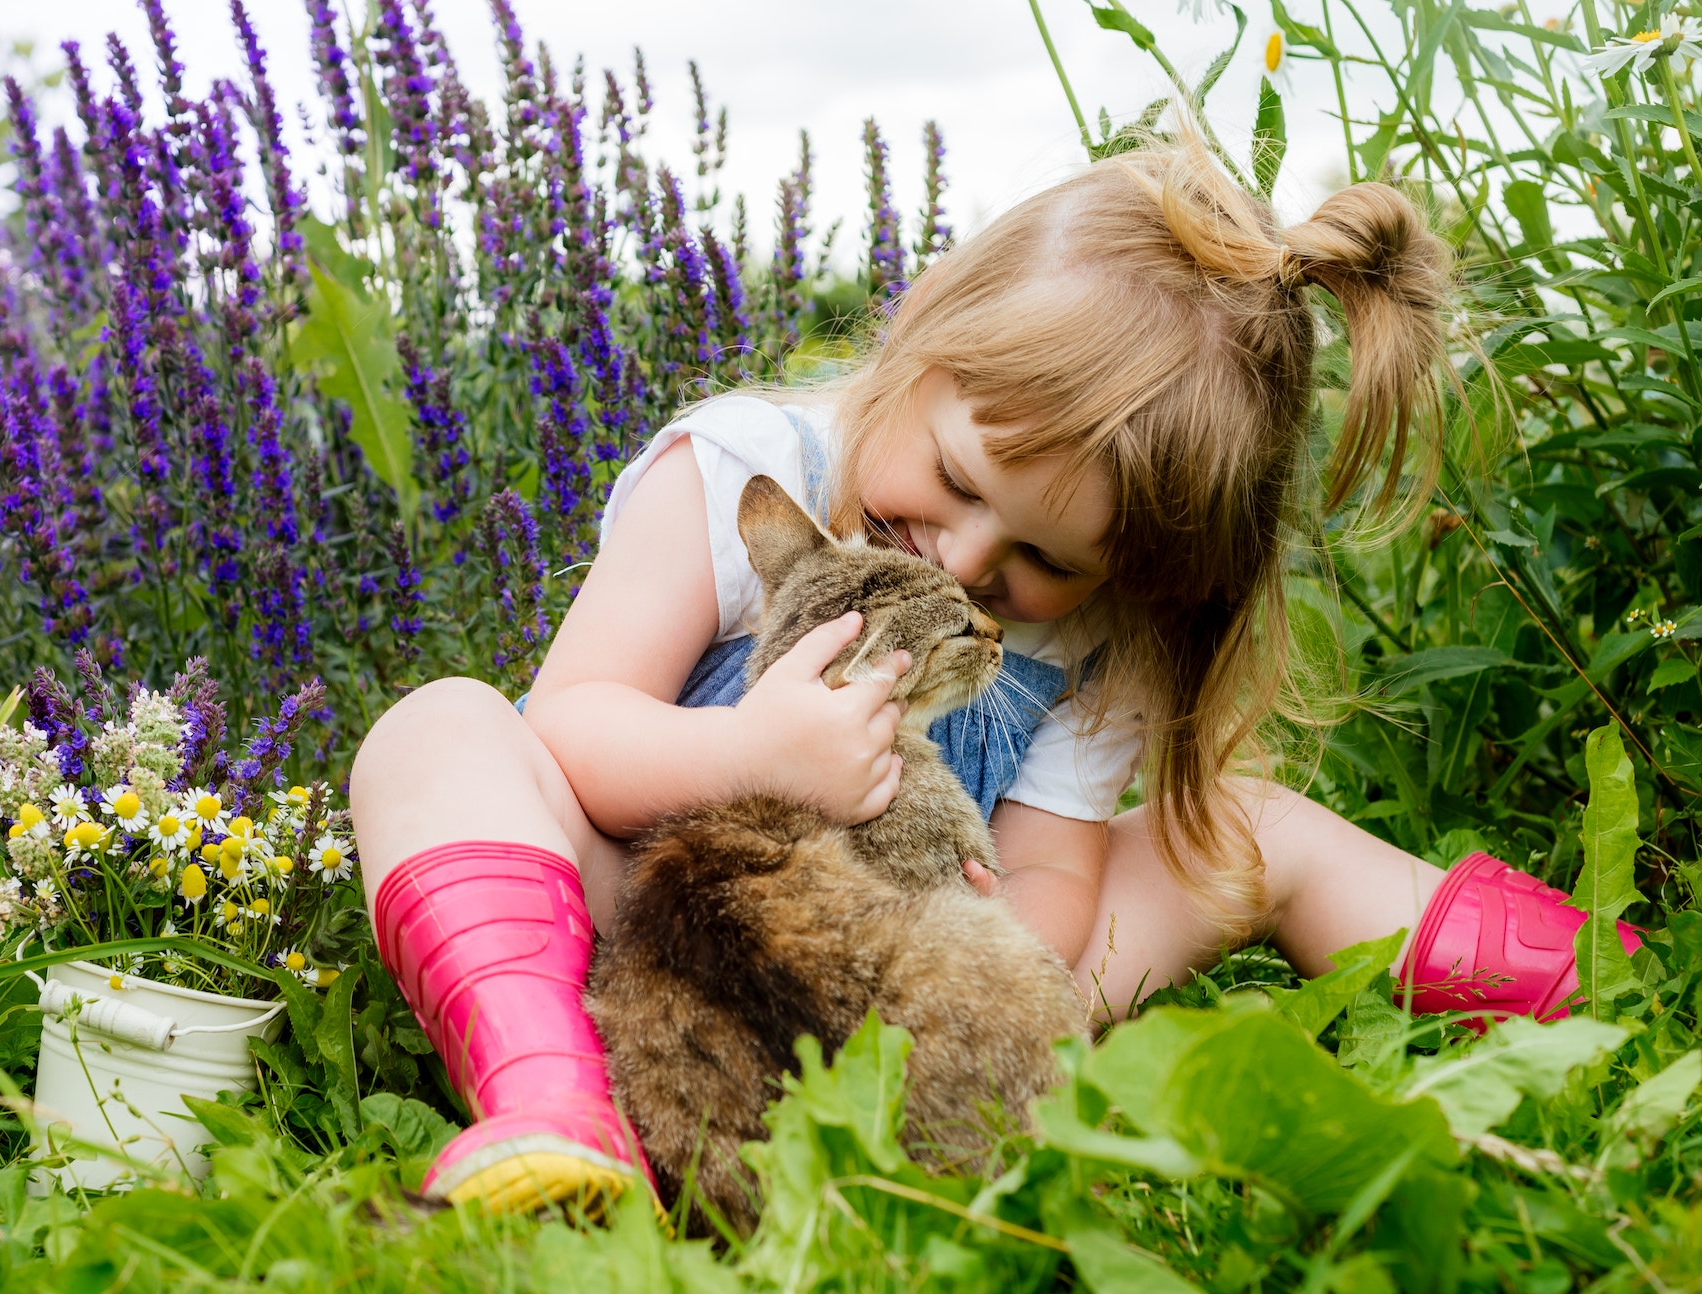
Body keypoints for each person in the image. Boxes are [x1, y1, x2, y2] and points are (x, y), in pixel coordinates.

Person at [349, 133, 1639, 1215]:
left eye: (1046, 558)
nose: (968, 561)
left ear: (1128, 573)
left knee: (1253, 831)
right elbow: (575, 725)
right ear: (923, 329)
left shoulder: (1092, 638)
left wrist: (984, 943)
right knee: (445, 730)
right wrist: (753, 759)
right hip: (646, 939)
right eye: (961, 482)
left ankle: (1620, 997)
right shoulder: (748, 468)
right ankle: (551, 1097)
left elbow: (1055, 882)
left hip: (908, 991)